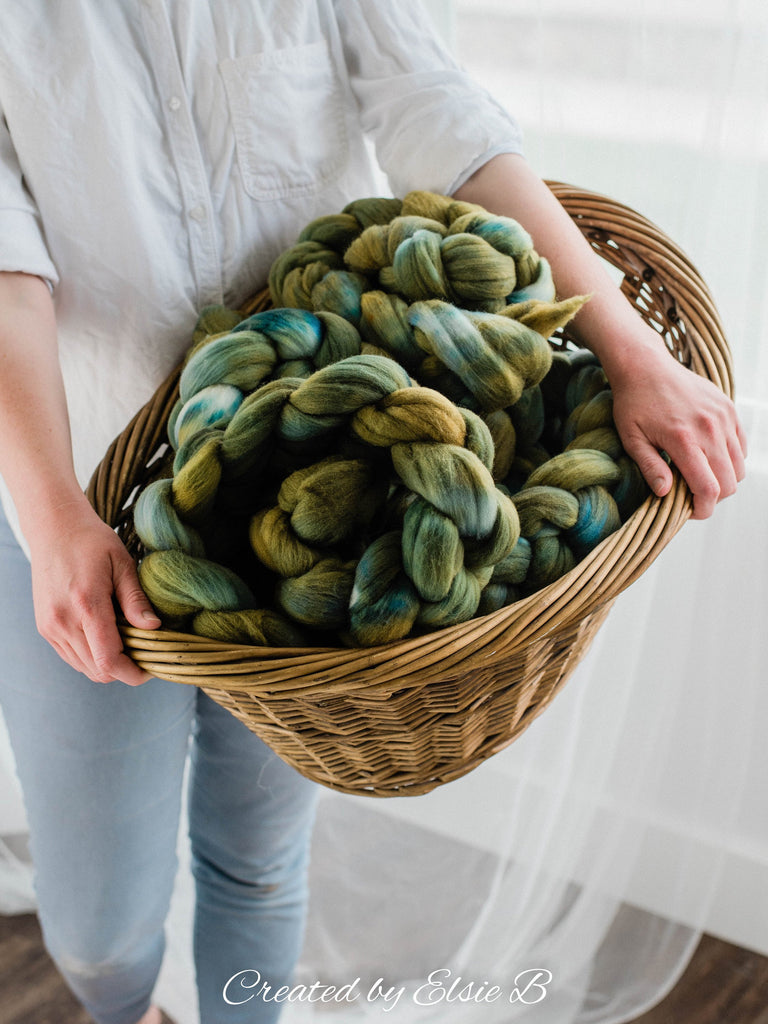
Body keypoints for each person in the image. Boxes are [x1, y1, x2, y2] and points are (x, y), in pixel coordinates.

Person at [0, 2, 746, 1023]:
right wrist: (52, 524)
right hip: (75, 502)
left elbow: (445, 119)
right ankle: (125, 1008)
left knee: (258, 862)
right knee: (100, 924)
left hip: (339, 486)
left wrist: (628, 346)